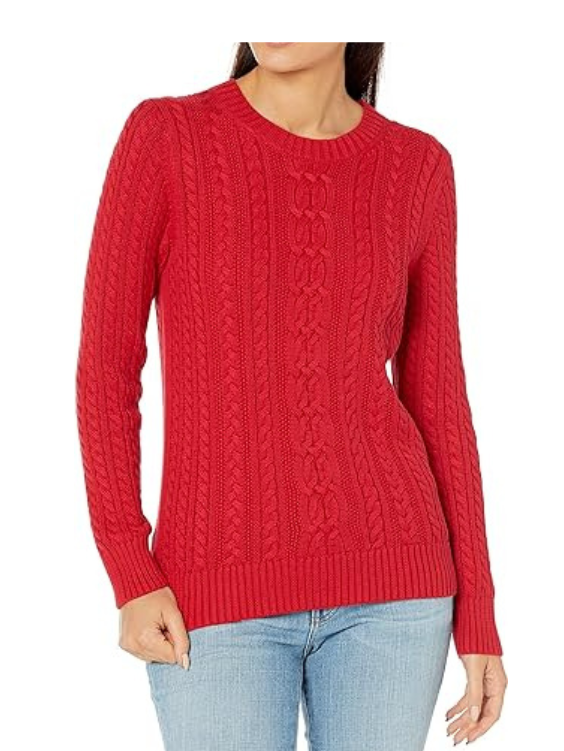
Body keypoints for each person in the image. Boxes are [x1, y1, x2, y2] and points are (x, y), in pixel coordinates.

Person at [75, 43, 508, 750]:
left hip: (395, 590)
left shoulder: (418, 166)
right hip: (212, 594)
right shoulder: (167, 138)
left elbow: (439, 399)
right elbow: (106, 369)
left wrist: (479, 613)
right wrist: (129, 565)